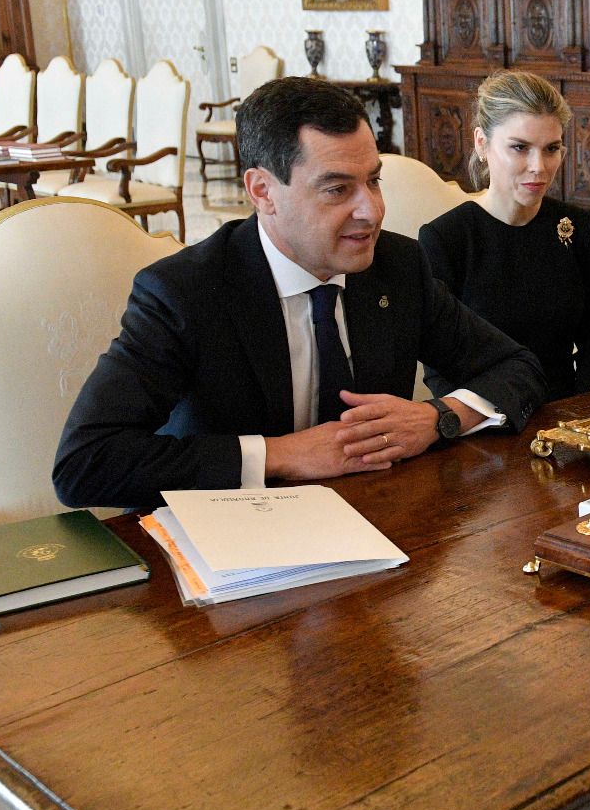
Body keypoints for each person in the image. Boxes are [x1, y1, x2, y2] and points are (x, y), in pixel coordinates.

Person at [53, 77, 547, 510]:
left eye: (373, 181)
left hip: (386, 530)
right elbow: (86, 462)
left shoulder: (396, 266)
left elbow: (517, 368)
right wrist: (281, 454)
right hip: (239, 552)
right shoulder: (185, 293)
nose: (372, 212)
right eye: (337, 190)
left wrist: (438, 418)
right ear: (263, 191)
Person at [419, 70, 590, 402]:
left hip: (566, 419)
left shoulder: (579, 228)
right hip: (482, 424)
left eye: (551, 148)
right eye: (520, 147)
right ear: (482, 143)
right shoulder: (446, 238)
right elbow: (440, 368)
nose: (539, 166)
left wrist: (583, 420)